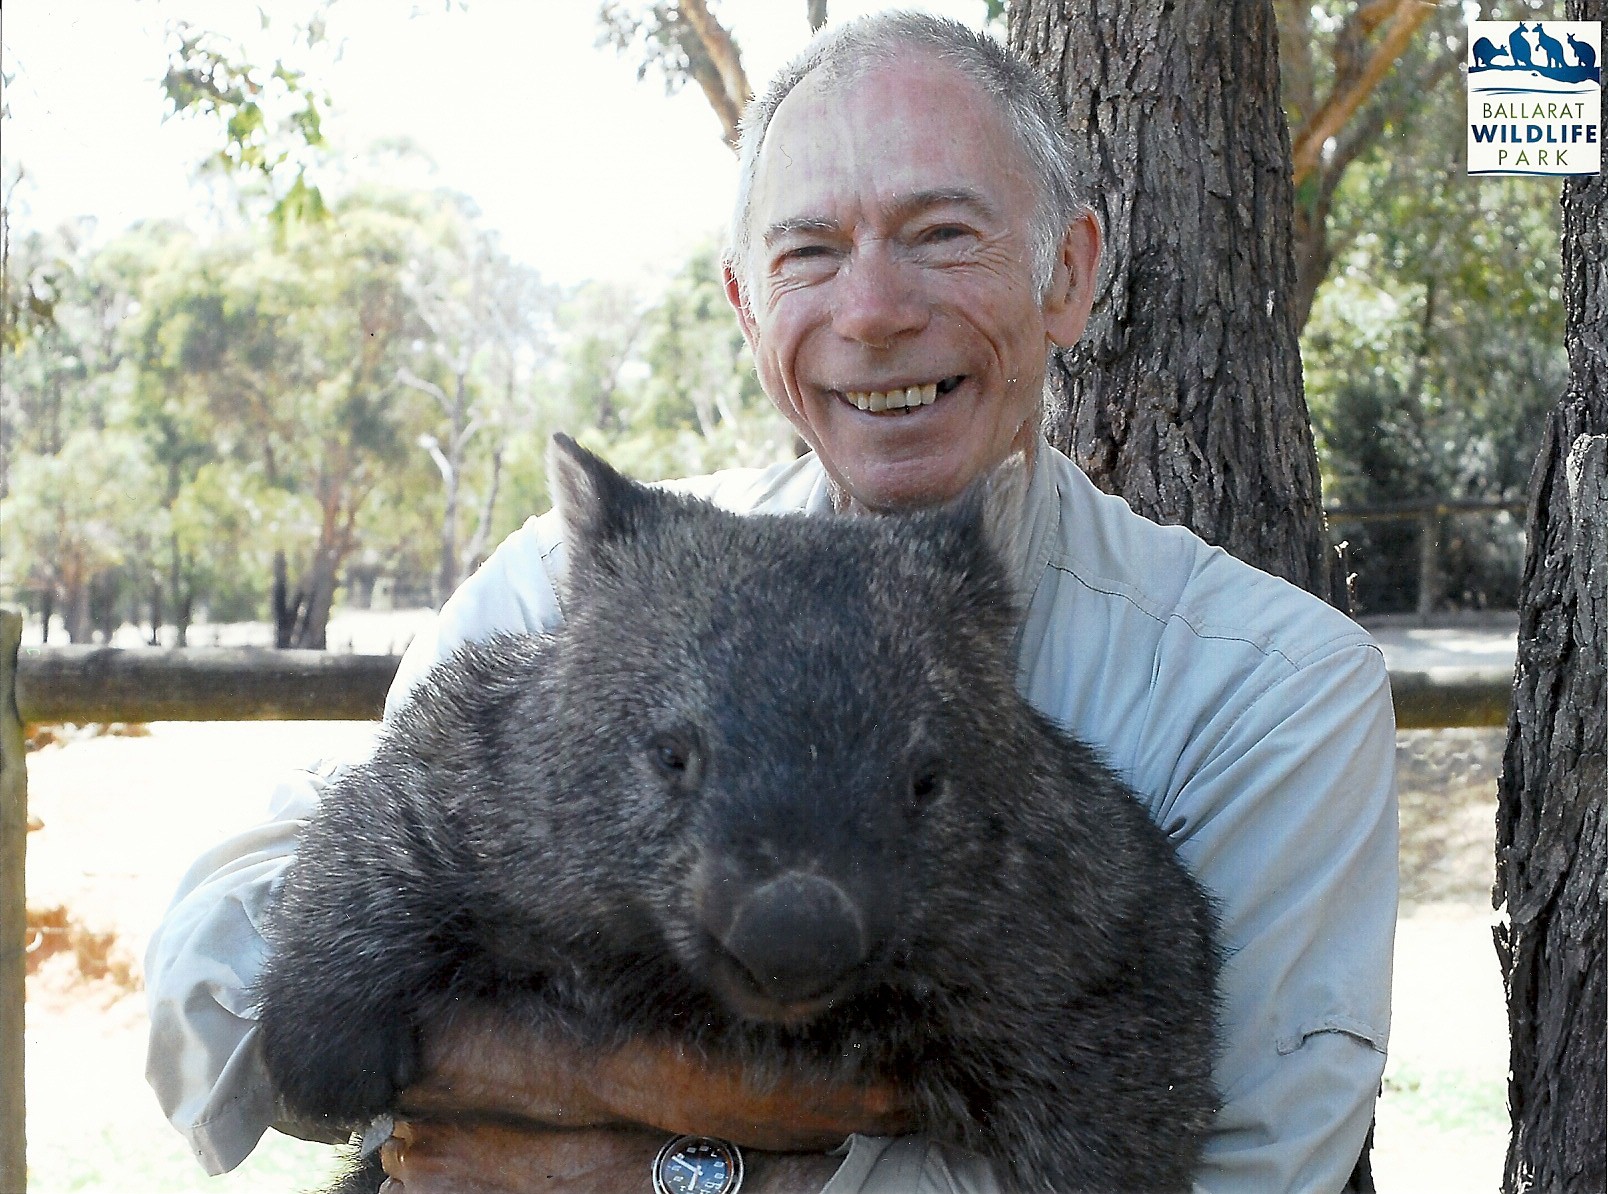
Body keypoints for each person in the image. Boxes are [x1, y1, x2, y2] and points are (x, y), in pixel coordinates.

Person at [145, 12, 1397, 1194]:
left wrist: (646, 1158)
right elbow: (253, 1005)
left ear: (1068, 277)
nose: (874, 312)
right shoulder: (578, 577)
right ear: (748, 306)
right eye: (811, 253)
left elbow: (1218, 1152)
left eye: (942, 234)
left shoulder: (1271, 688)